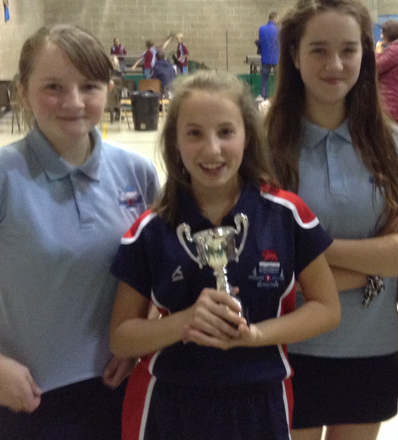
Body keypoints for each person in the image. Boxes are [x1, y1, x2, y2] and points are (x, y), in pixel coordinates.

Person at [0, 24, 160, 440]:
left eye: (89, 86)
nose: (73, 102)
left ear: (108, 90)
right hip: (26, 397)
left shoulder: (138, 174)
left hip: (118, 386)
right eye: (53, 86)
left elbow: (152, 272)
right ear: (23, 91)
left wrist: (142, 339)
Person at [110, 70, 341, 440]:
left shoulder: (287, 215)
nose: (212, 149)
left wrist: (254, 335)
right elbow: (122, 337)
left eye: (226, 132)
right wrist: (186, 321)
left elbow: (327, 309)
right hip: (170, 404)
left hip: (260, 401)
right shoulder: (150, 230)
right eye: (195, 133)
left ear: (247, 136)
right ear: (175, 141)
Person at [266, 1, 398, 439]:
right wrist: (375, 267)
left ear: (365, 54)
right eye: (318, 50)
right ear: (294, 55)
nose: (334, 65)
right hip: (285, 346)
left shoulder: (393, 145)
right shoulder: (261, 146)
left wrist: (309, 251)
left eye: (348, 50)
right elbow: (261, 269)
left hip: (367, 348)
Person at [258, 11, 280, 99]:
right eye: (278, 18)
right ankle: (278, 96)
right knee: (278, 79)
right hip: (277, 58)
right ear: (275, 18)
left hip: (265, 58)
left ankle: (263, 96)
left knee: (264, 78)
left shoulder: (261, 29)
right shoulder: (280, 29)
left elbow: (261, 41)